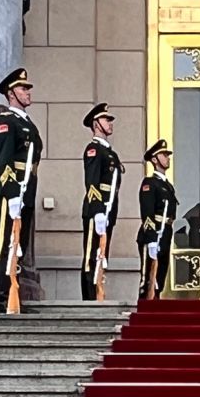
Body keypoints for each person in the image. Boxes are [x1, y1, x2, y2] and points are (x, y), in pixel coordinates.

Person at [0, 68, 42, 313]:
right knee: (6, 243)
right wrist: (11, 192)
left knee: (19, 244)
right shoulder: (7, 121)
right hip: (12, 190)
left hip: (27, 187)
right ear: (11, 93)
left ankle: (15, 294)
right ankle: (4, 297)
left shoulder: (27, 123)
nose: (28, 92)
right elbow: (4, 159)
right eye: (23, 88)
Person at [78, 102, 121, 303]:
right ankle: (89, 298)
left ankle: (98, 293)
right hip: (97, 210)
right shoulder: (94, 149)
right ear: (96, 124)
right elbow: (92, 182)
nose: (110, 123)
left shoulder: (110, 152)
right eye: (106, 120)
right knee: (91, 255)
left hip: (108, 208)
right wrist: (97, 212)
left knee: (101, 254)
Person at [137, 140, 177, 299]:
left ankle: (155, 303)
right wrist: (152, 239)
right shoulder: (149, 183)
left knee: (160, 277)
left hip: (166, 231)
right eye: (163, 155)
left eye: (167, 155)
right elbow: (147, 213)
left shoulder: (167, 185)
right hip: (154, 233)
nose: (167, 158)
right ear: (154, 159)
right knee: (148, 278)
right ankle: (145, 307)